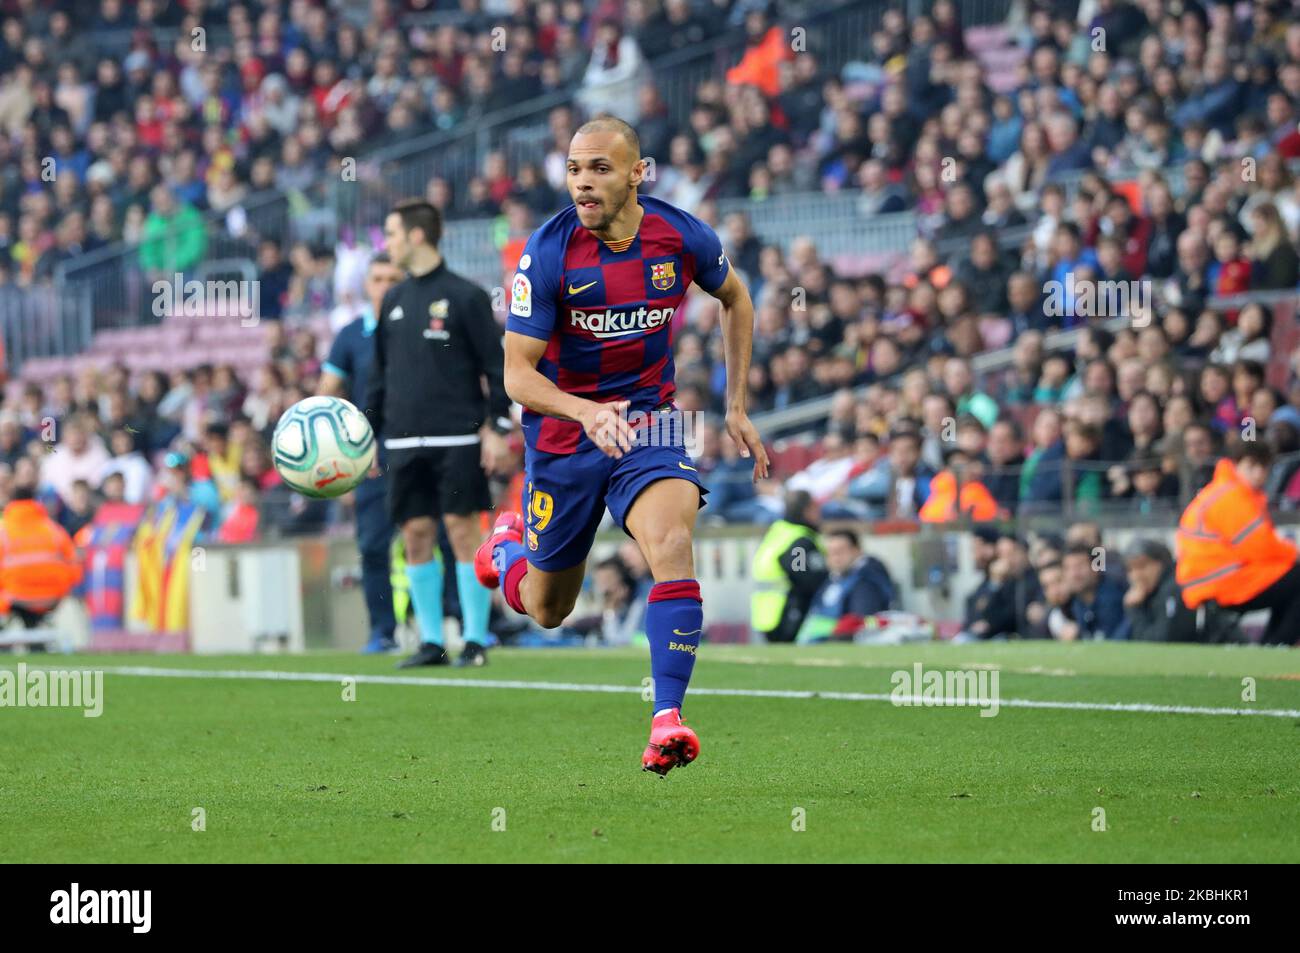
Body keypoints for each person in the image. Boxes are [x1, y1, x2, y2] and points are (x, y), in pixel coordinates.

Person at [474, 116, 770, 775]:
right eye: (575, 169)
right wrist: (584, 411)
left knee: (670, 543)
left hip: (649, 422)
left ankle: (667, 717)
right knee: (549, 609)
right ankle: (506, 545)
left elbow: (736, 298)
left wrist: (737, 404)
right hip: (561, 435)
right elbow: (516, 374)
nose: (583, 181)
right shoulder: (546, 252)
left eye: (600, 168)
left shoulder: (681, 235)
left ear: (638, 173)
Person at [363, 201, 515, 669]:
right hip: (404, 441)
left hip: (458, 438)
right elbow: (380, 376)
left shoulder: (466, 297)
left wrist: (496, 427)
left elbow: (497, 367)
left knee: (462, 530)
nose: (386, 243)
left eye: (391, 233)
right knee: (415, 533)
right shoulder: (393, 300)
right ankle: (432, 642)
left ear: (415, 236)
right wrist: (368, 435)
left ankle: (475, 638)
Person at [320, 251, 404, 654]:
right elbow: (325, 396)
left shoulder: (424, 329)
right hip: (372, 456)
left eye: (393, 278)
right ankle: (382, 630)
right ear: (366, 285)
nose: (385, 286)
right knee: (373, 546)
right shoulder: (351, 336)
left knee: (441, 537)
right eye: (378, 279)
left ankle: (457, 624)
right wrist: (347, 449)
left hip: (422, 446)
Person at [1176, 442, 1300, 645]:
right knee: (1295, 576)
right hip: (1221, 581)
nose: (1258, 473)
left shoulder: (1219, 491)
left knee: (1290, 579)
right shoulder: (1233, 496)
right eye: (1252, 466)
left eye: (1263, 467)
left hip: (1205, 581)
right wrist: (1294, 553)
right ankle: (1277, 645)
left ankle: (1274, 644)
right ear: (1235, 464)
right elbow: (1260, 547)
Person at [0, 483, 83, 636]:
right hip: (53, 597)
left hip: (15, 596)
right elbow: (74, 567)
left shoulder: (3, 531)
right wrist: (62, 587)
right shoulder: (54, 529)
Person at [1123, 538, 1239, 643]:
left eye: (1142, 566)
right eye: (1130, 569)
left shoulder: (1174, 587)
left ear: (1161, 563)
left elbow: (1162, 642)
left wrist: (1135, 610)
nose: (1136, 575)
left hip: (1227, 647)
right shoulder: (1150, 592)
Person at [796, 529, 895, 643]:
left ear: (856, 551)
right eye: (830, 552)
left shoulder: (865, 583)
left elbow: (858, 624)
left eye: (840, 551)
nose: (835, 557)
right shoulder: (832, 580)